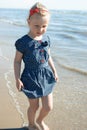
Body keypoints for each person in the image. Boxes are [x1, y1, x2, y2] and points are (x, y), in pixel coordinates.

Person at [14, 2, 58, 130]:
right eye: (37, 26)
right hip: (30, 78)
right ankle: (31, 124)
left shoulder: (46, 39)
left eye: (44, 26)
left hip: (46, 75)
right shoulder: (23, 42)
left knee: (48, 106)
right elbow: (17, 61)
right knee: (34, 106)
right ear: (29, 22)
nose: (40, 29)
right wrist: (17, 78)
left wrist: (54, 71)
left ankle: (40, 120)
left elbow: (48, 56)